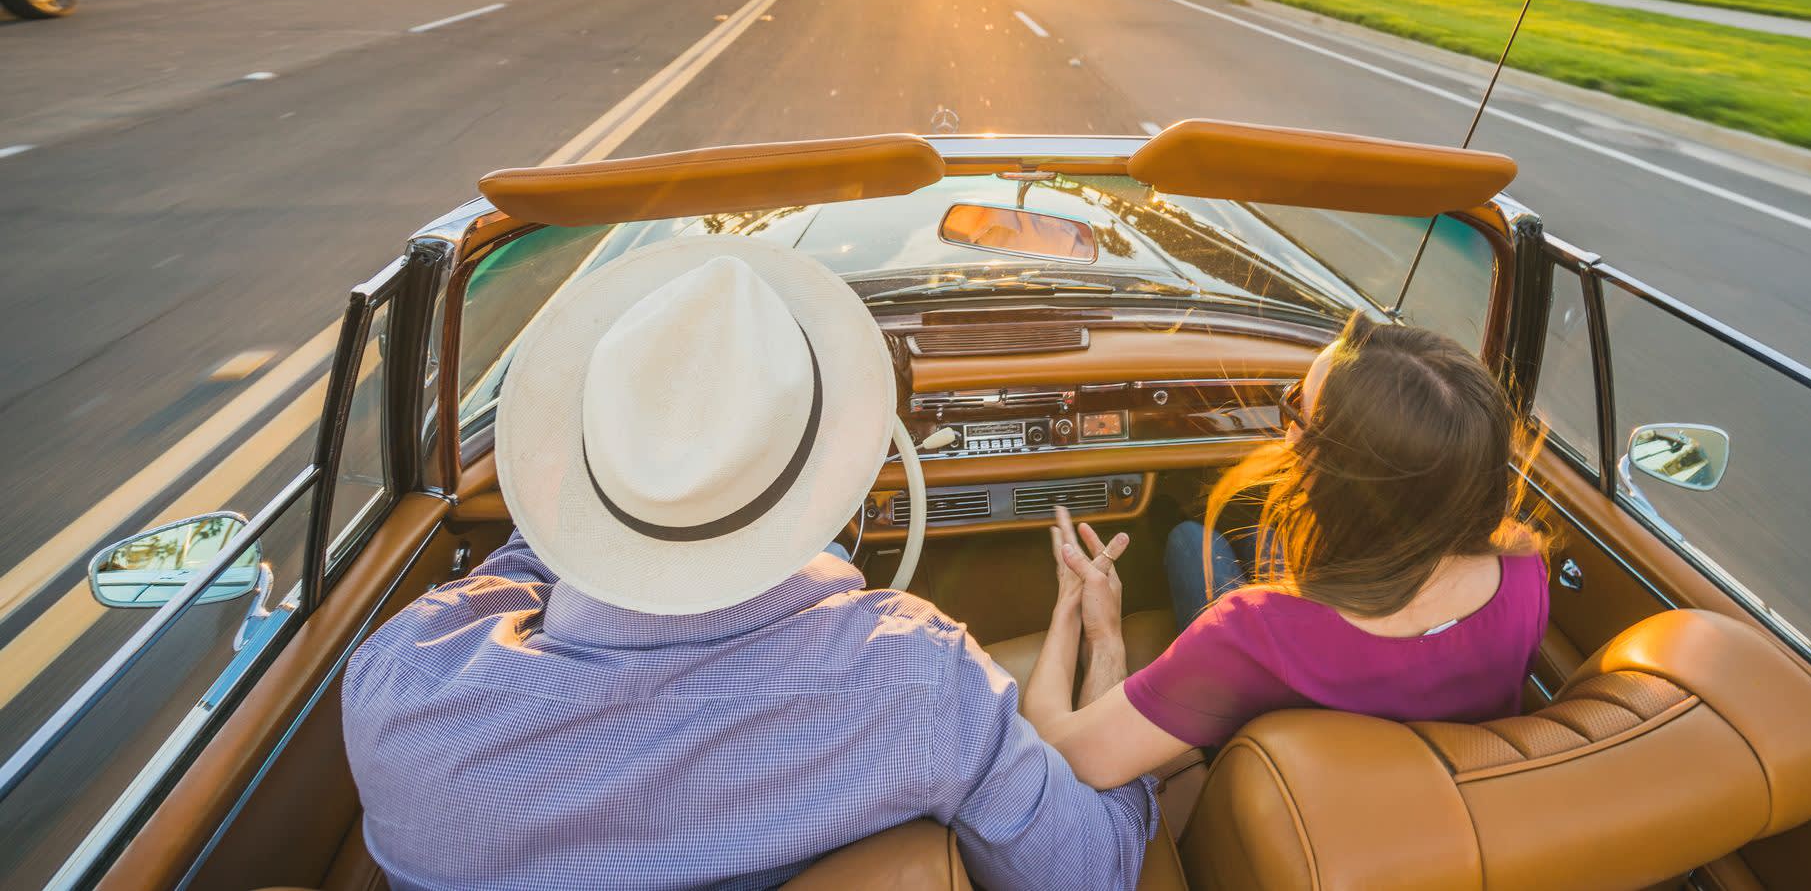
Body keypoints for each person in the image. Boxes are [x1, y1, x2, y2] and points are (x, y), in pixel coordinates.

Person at [343, 236, 1154, 890]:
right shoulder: (916, 682)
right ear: (848, 477)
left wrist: (640, 478)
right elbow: (1096, 871)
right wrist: (1105, 648)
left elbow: (531, 560)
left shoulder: (397, 688)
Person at [1019, 313, 1549, 790]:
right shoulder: (1525, 571)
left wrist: (1091, 622)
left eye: (1297, 406)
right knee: (1214, 543)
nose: (1289, 432)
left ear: (1340, 476)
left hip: (1258, 791)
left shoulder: (1251, 636)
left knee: (1189, 544)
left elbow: (1067, 756)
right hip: (1401, 806)